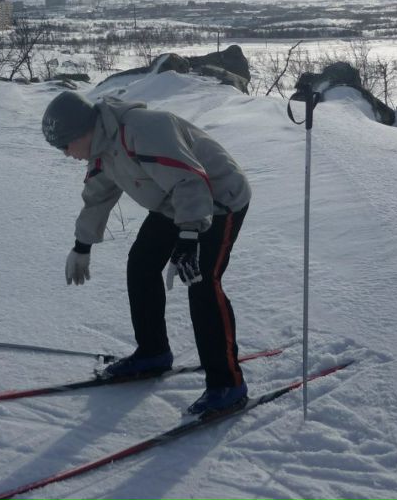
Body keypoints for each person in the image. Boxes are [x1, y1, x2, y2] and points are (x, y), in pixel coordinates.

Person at [42, 89, 252, 415]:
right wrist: (82, 245)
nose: (66, 154)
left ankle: (228, 384)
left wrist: (188, 238)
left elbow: (190, 181)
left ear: (82, 131)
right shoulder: (102, 148)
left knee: (202, 283)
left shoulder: (142, 130)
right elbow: (97, 196)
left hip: (218, 198)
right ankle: (153, 352)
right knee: (141, 265)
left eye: (64, 146)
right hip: (173, 202)